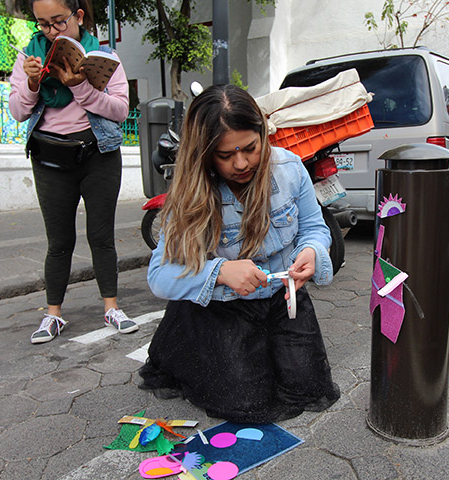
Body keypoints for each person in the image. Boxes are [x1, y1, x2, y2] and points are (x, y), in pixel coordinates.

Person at [139, 85, 340, 423]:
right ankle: (185, 345)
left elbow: (315, 229)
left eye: (250, 148)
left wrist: (312, 251)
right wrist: (218, 272)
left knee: (308, 385)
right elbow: (159, 276)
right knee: (243, 401)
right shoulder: (190, 194)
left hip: (282, 299)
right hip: (224, 310)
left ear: (263, 134)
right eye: (225, 155)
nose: (242, 163)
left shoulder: (289, 168)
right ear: (203, 154)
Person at [9, 0, 137, 343]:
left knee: (101, 235)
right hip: (50, 159)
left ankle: (111, 306)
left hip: (99, 155)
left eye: (59, 22)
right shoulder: (28, 58)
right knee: (59, 241)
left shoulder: (105, 56)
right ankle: (53, 315)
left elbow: (120, 110)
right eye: (43, 24)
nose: (51, 32)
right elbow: (18, 111)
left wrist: (80, 85)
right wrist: (33, 85)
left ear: (78, 16)